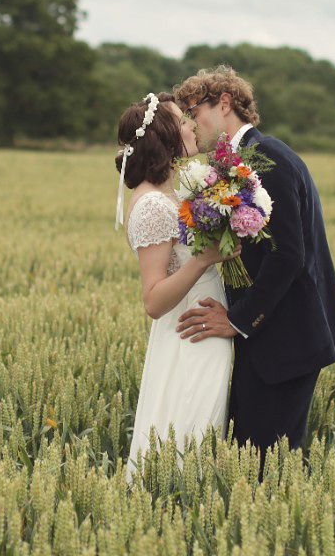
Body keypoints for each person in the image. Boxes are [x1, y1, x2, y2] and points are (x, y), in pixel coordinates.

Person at [173, 66, 335, 466]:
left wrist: (237, 320)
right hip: (266, 339)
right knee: (255, 461)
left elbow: (289, 254)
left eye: (192, 110)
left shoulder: (267, 156)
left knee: (266, 467)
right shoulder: (232, 165)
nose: (189, 123)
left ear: (223, 104)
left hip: (286, 339)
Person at [114, 91, 238, 481]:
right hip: (189, 334)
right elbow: (153, 300)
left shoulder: (173, 194)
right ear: (167, 137)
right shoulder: (152, 205)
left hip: (204, 326)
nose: (191, 125)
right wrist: (205, 257)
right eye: (182, 121)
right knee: (189, 434)